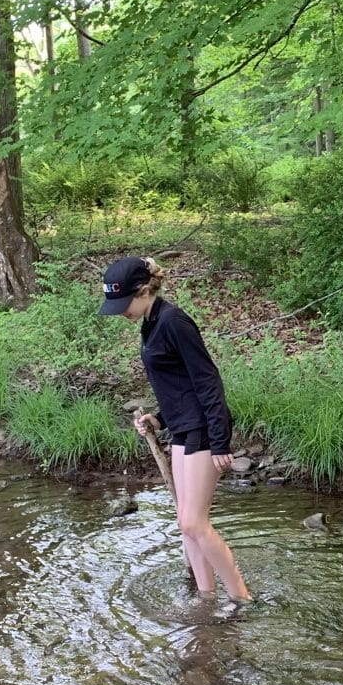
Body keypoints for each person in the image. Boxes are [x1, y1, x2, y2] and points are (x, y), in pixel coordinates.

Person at [99, 256, 252, 605]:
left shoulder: (174, 322)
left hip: (202, 430)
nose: (121, 311)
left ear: (144, 290)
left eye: (124, 303)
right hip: (181, 428)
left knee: (193, 523)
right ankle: (206, 597)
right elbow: (177, 385)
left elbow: (207, 380)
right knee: (187, 526)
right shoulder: (150, 323)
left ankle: (242, 599)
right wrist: (159, 419)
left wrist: (220, 441)